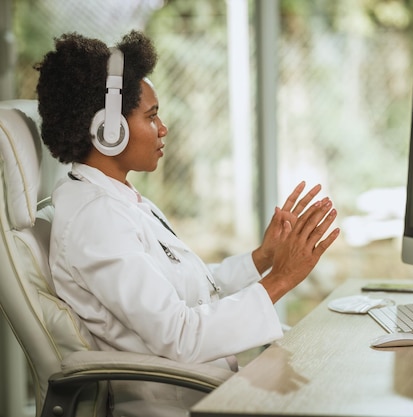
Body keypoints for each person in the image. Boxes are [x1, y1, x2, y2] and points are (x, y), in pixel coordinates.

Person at [35, 31, 340, 406]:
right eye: (151, 116)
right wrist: (282, 279)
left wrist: (263, 258)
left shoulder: (115, 198)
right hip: (181, 401)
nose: (163, 128)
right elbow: (181, 335)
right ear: (108, 131)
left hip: (207, 385)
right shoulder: (95, 220)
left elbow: (189, 293)